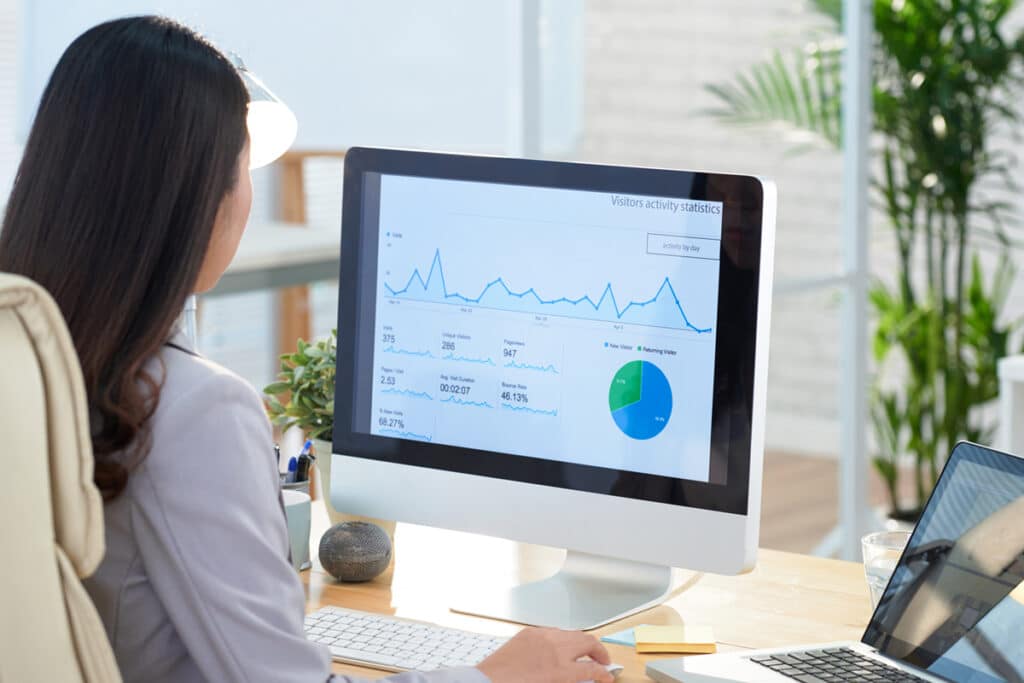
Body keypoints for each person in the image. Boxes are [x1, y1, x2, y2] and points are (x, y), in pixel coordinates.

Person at [0, 16, 613, 683]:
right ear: (199, 199)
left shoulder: (38, 355)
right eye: (241, 165)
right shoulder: (193, 409)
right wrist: (494, 678)